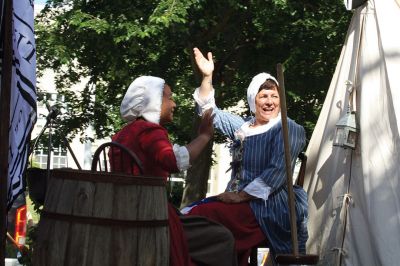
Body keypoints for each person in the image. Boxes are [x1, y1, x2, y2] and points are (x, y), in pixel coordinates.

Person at [183, 48, 309, 265]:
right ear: (253, 99)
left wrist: (240, 196)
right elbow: (207, 111)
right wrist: (207, 77)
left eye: (274, 96)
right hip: (239, 203)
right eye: (263, 96)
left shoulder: (289, 129)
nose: (269, 102)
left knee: (203, 215)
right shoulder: (243, 126)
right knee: (190, 213)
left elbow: (277, 172)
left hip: (271, 206)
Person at [110, 76, 237, 266]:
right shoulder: (149, 131)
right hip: (150, 213)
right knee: (222, 237)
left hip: (125, 210)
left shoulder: (122, 134)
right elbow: (173, 161)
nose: (174, 104)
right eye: (169, 98)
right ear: (153, 101)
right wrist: (204, 136)